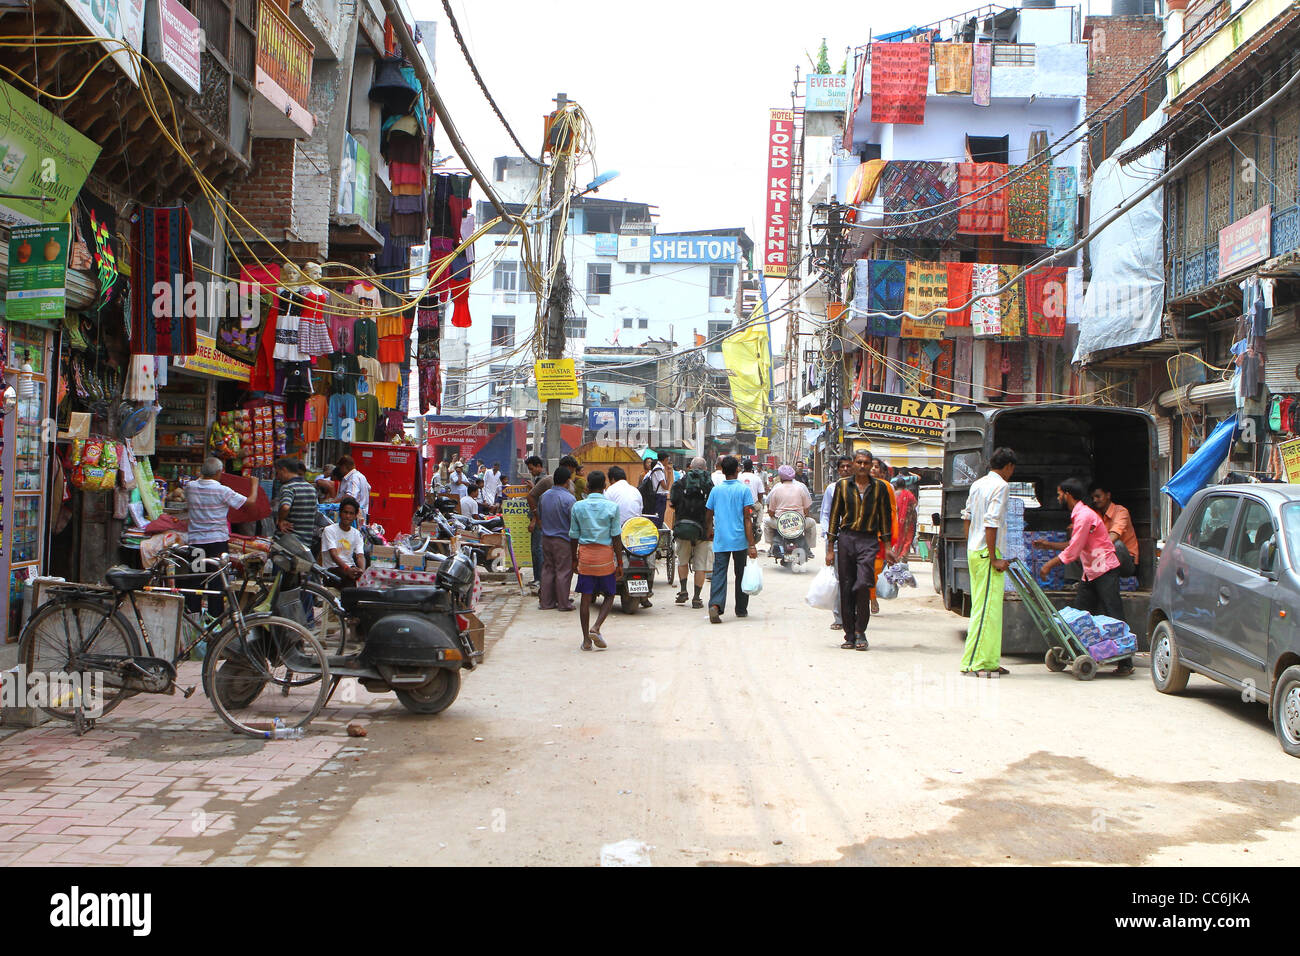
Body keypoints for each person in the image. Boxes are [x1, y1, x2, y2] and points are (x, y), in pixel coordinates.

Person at [825, 449, 896, 651]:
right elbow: (834, 517)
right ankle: (849, 634)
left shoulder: (879, 488)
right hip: (847, 539)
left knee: (863, 585)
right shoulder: (843, 486)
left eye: (866, 463)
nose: (863, 466)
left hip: (868, 540)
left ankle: (860, 631)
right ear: (854, 464)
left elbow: (884, 519)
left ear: (871, 464)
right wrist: (830, 548)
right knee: (846, 587)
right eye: (859, 462)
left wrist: (888, 546)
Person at [1037, 477, 1127, 626]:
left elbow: (1073, 550)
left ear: (1068, 495)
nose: (1058, 498)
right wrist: (1048, 546)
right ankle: (1080, 647)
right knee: (1080, 613)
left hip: (1104, 570)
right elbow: (1074, 545)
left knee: (1114, 613)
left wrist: (1048, 565)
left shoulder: (1084, 516)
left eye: (1060, 495)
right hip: (1091, 572)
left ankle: (1124, 647)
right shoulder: (1081, 515)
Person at [960, 447, 1017, 677]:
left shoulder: (978, 484)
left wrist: (971, 543)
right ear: (1009, 467)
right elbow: (991, 522)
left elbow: (967, 516)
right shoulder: (1001, 486)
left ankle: (991, 660)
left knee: (990, 610)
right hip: (986, 553)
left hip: (975, 550)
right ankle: (974, 662)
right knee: (985, 611)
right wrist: (994, 558)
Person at [568, 470, 624, 651]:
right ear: (605, 487)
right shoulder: (612, 507)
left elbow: (573, 536)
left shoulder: (578, 506)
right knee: (609, 594)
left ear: (587, 486)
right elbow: (616, 537)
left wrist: (573, 559)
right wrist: (620, 562)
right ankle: (597, 627)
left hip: (585, 556)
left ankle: (586, 640)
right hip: (605, 557)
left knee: (585, 598)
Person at [184, 458, 248, 616]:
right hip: (217, 542)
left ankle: (193, 619)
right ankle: (215, 619)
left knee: (195, 581)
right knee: (217, 582)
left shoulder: (190, 487)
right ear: (219, 472)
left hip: (196, 542)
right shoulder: (223, 490)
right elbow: (247, 503)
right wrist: (253, 485)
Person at [704, 455, 759, 624]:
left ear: (722, 470)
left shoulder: (716, 490)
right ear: (737, 470)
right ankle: (741, 609)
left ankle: (715, 605)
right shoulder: (743, 490)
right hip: (739, 540)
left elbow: (708, 513)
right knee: (740, 573)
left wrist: (710, 529)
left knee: (719, 573)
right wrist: (751, 544)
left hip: (721, 539)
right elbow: (747, 519)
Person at [670, 456, 714, 608]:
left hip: (682, 528)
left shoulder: (680, 482)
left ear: (689, 467)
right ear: (705, 468)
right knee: (700, 565)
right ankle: (696, 598)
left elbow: (673, 503)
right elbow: (712, 507)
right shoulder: (709, 485)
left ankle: (683, 591)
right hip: (702, 529)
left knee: (682, 561)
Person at [820, 456, 853, 631]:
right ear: (838, 470)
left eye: (849, 466)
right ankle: (839, 617)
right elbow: (826, 513)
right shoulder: (832, 489)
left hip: (856, 539)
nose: (846, 469)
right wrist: (829, 539)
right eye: (843, 467)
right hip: (837, 538)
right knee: (840, 579)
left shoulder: (861, 488)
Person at [538, 465, 576, 612]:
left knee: (548, 569)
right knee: (563, 571)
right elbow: (573, 523)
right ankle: (563, 603)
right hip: (562, 539)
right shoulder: (569, 498)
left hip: (546, 537)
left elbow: (541, 515)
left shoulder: (544, 496)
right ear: (567, 481)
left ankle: (546, 602)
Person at [867, 457, 901, 615]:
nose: (873, 469)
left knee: (875, 569)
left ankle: (872, 597)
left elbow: (892, 512)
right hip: (861, 534)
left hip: (880, 535)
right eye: (870, 467)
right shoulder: (857, 486)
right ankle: (867, 598)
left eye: (876, 467)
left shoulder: (888, 487)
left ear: (882, 471)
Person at [763, 464, 817, 557]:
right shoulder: (801, 488)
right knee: (812, 523)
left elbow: (771, 512)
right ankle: (808, 547)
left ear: (780, 477)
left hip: (780, 524)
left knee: (766, 522)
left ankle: (771, 546)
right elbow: (807, 509)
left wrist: (773, 514)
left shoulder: (776, 489)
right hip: (799, 523)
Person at [1091, 483, 1139, 577]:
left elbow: (1113, 536)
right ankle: (1073, 582)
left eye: (1098, 496)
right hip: (1102, 557)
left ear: (1108, 495)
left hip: (1126, 561)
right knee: (1077, 545)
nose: (1095, 500)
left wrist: (1094, 549)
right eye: (1092, 498)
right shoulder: (1095, 514)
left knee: (1117, 545)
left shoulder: (1121, 511)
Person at [274, 458, 317, 552]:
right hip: (306, 543)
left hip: (288, 544)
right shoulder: (311, 488)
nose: (277, 477)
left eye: (277, 473)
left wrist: (280, 520)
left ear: (284, 470)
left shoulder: (288, 487)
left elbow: (285, 507)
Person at [321, 496, 367, 584]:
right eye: (345, 512)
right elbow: (334, 555)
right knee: (349, 581)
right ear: (340, 513)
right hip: (332, 570)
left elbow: (360, 556)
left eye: (351, 513)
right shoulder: (329, 530)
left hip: (350, 568)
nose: (347, 516)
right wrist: (347, 569)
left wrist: (362, 571)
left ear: (355, 516)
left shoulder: (357, 534)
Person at [523, 455, 547, 587]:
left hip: (538, 520)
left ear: (539, 466)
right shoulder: (538, 480)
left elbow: (538, 503)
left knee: (537, 549)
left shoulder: (542, 481)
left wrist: (534, 520)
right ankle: (537, 577)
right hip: (538, 519)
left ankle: (540, 579)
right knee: (535, 549)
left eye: (532, 469)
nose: (531, 471)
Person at [335, 454, 370, 524]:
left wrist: (333, 502)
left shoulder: (353, 478)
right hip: (362, 516)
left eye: (340, 468)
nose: (340, 471)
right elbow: (369, 487)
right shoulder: (361, 476)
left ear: (344, 466)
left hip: (353, 518)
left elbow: (351, 496)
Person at [893, 476, 919, 563]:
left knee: (896, 538)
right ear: (905, 485)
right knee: (907, 539)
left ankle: (894, 556)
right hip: (908, 522)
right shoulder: (908, 494)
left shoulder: (894, 494)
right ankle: (902, 556)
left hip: (895, 522)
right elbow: (915, 504)